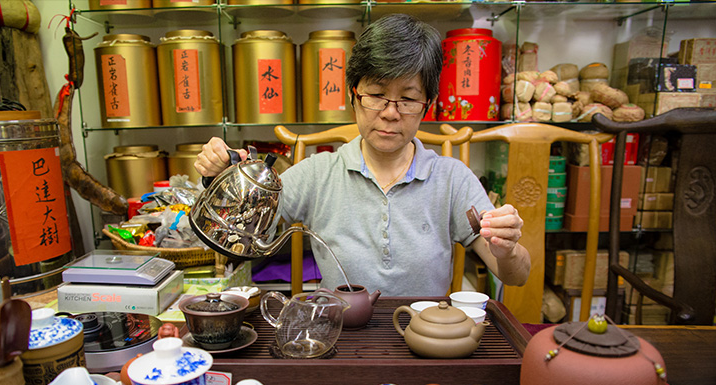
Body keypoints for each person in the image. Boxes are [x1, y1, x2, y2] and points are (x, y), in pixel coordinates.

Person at [194, 14, 530, 296]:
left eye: (408, 99)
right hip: (338, 333)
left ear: (428, 104)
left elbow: (518, 275)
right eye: (376, 94)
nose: (389, 113)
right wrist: (221, 176)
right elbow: (244, 231)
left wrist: (507, 250)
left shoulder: (452, 179)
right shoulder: (318, 173)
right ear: (353, 95)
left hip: (426, 335)